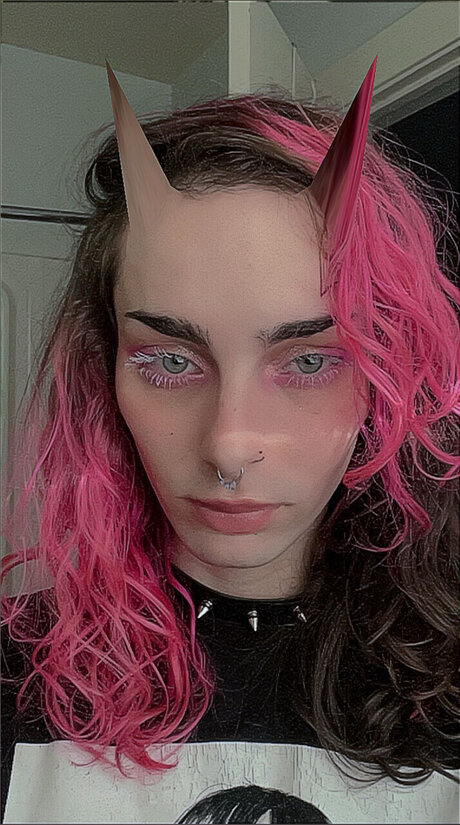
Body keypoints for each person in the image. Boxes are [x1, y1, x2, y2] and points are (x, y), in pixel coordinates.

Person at [1, 57, 459, 823]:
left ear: (388, 376)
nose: (229, 445)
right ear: (106, 371)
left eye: (308, 360)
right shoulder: (13, 677)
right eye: (170, 360)